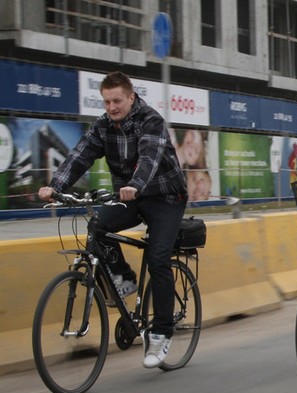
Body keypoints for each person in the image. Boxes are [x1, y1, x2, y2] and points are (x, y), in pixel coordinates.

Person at [38, 71, 188, 369]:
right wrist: (56, 186)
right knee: (98, 226)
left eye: (117, 100)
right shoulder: (103, 126)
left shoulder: (150, 120)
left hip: (164, 195)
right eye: (106, 102)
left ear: (131, 97)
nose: (111, 107)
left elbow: (149, 157)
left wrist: (136, 184)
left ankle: (161, 333)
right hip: (129, 194)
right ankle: (125, 279)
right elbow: (80, 156)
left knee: (158, 258)